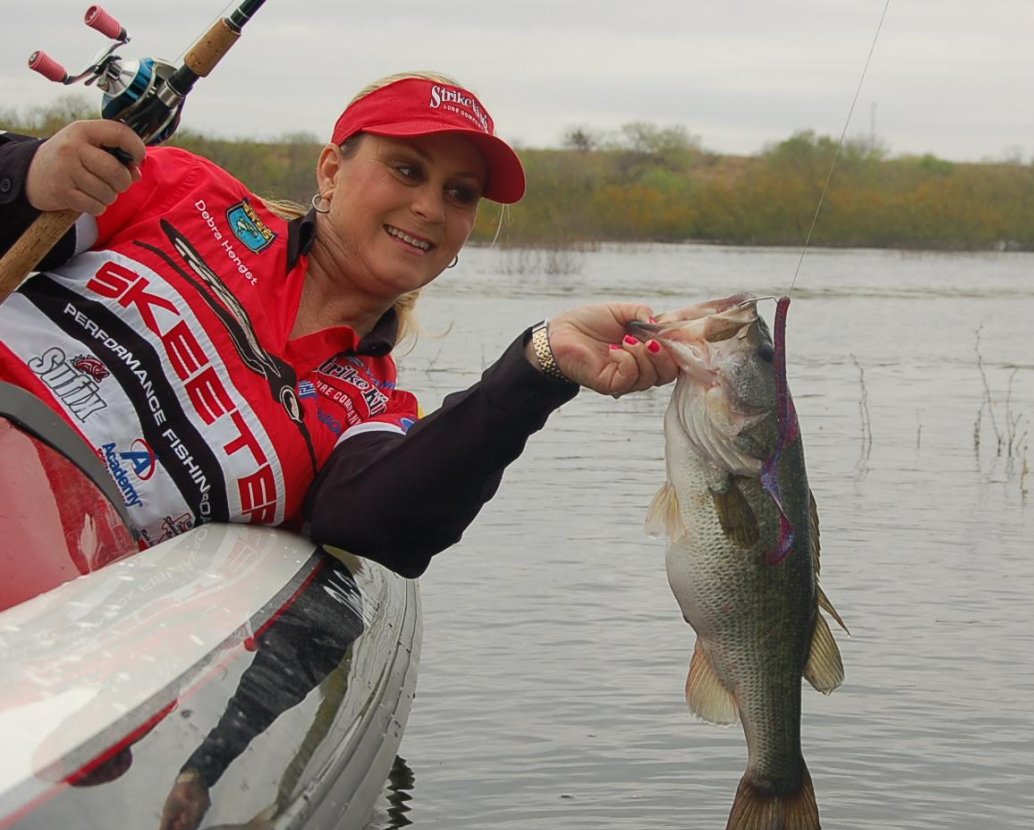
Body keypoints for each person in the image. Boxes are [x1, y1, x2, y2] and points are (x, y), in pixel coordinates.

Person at [0, 71, 677, 580]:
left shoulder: (375, 407)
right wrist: (29, 174)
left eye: (459, 194)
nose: (429, 208)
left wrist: (538, 365)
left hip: (68, 594)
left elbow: (382, 527)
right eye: (406, 170)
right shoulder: (183, 193)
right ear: (331, 169)